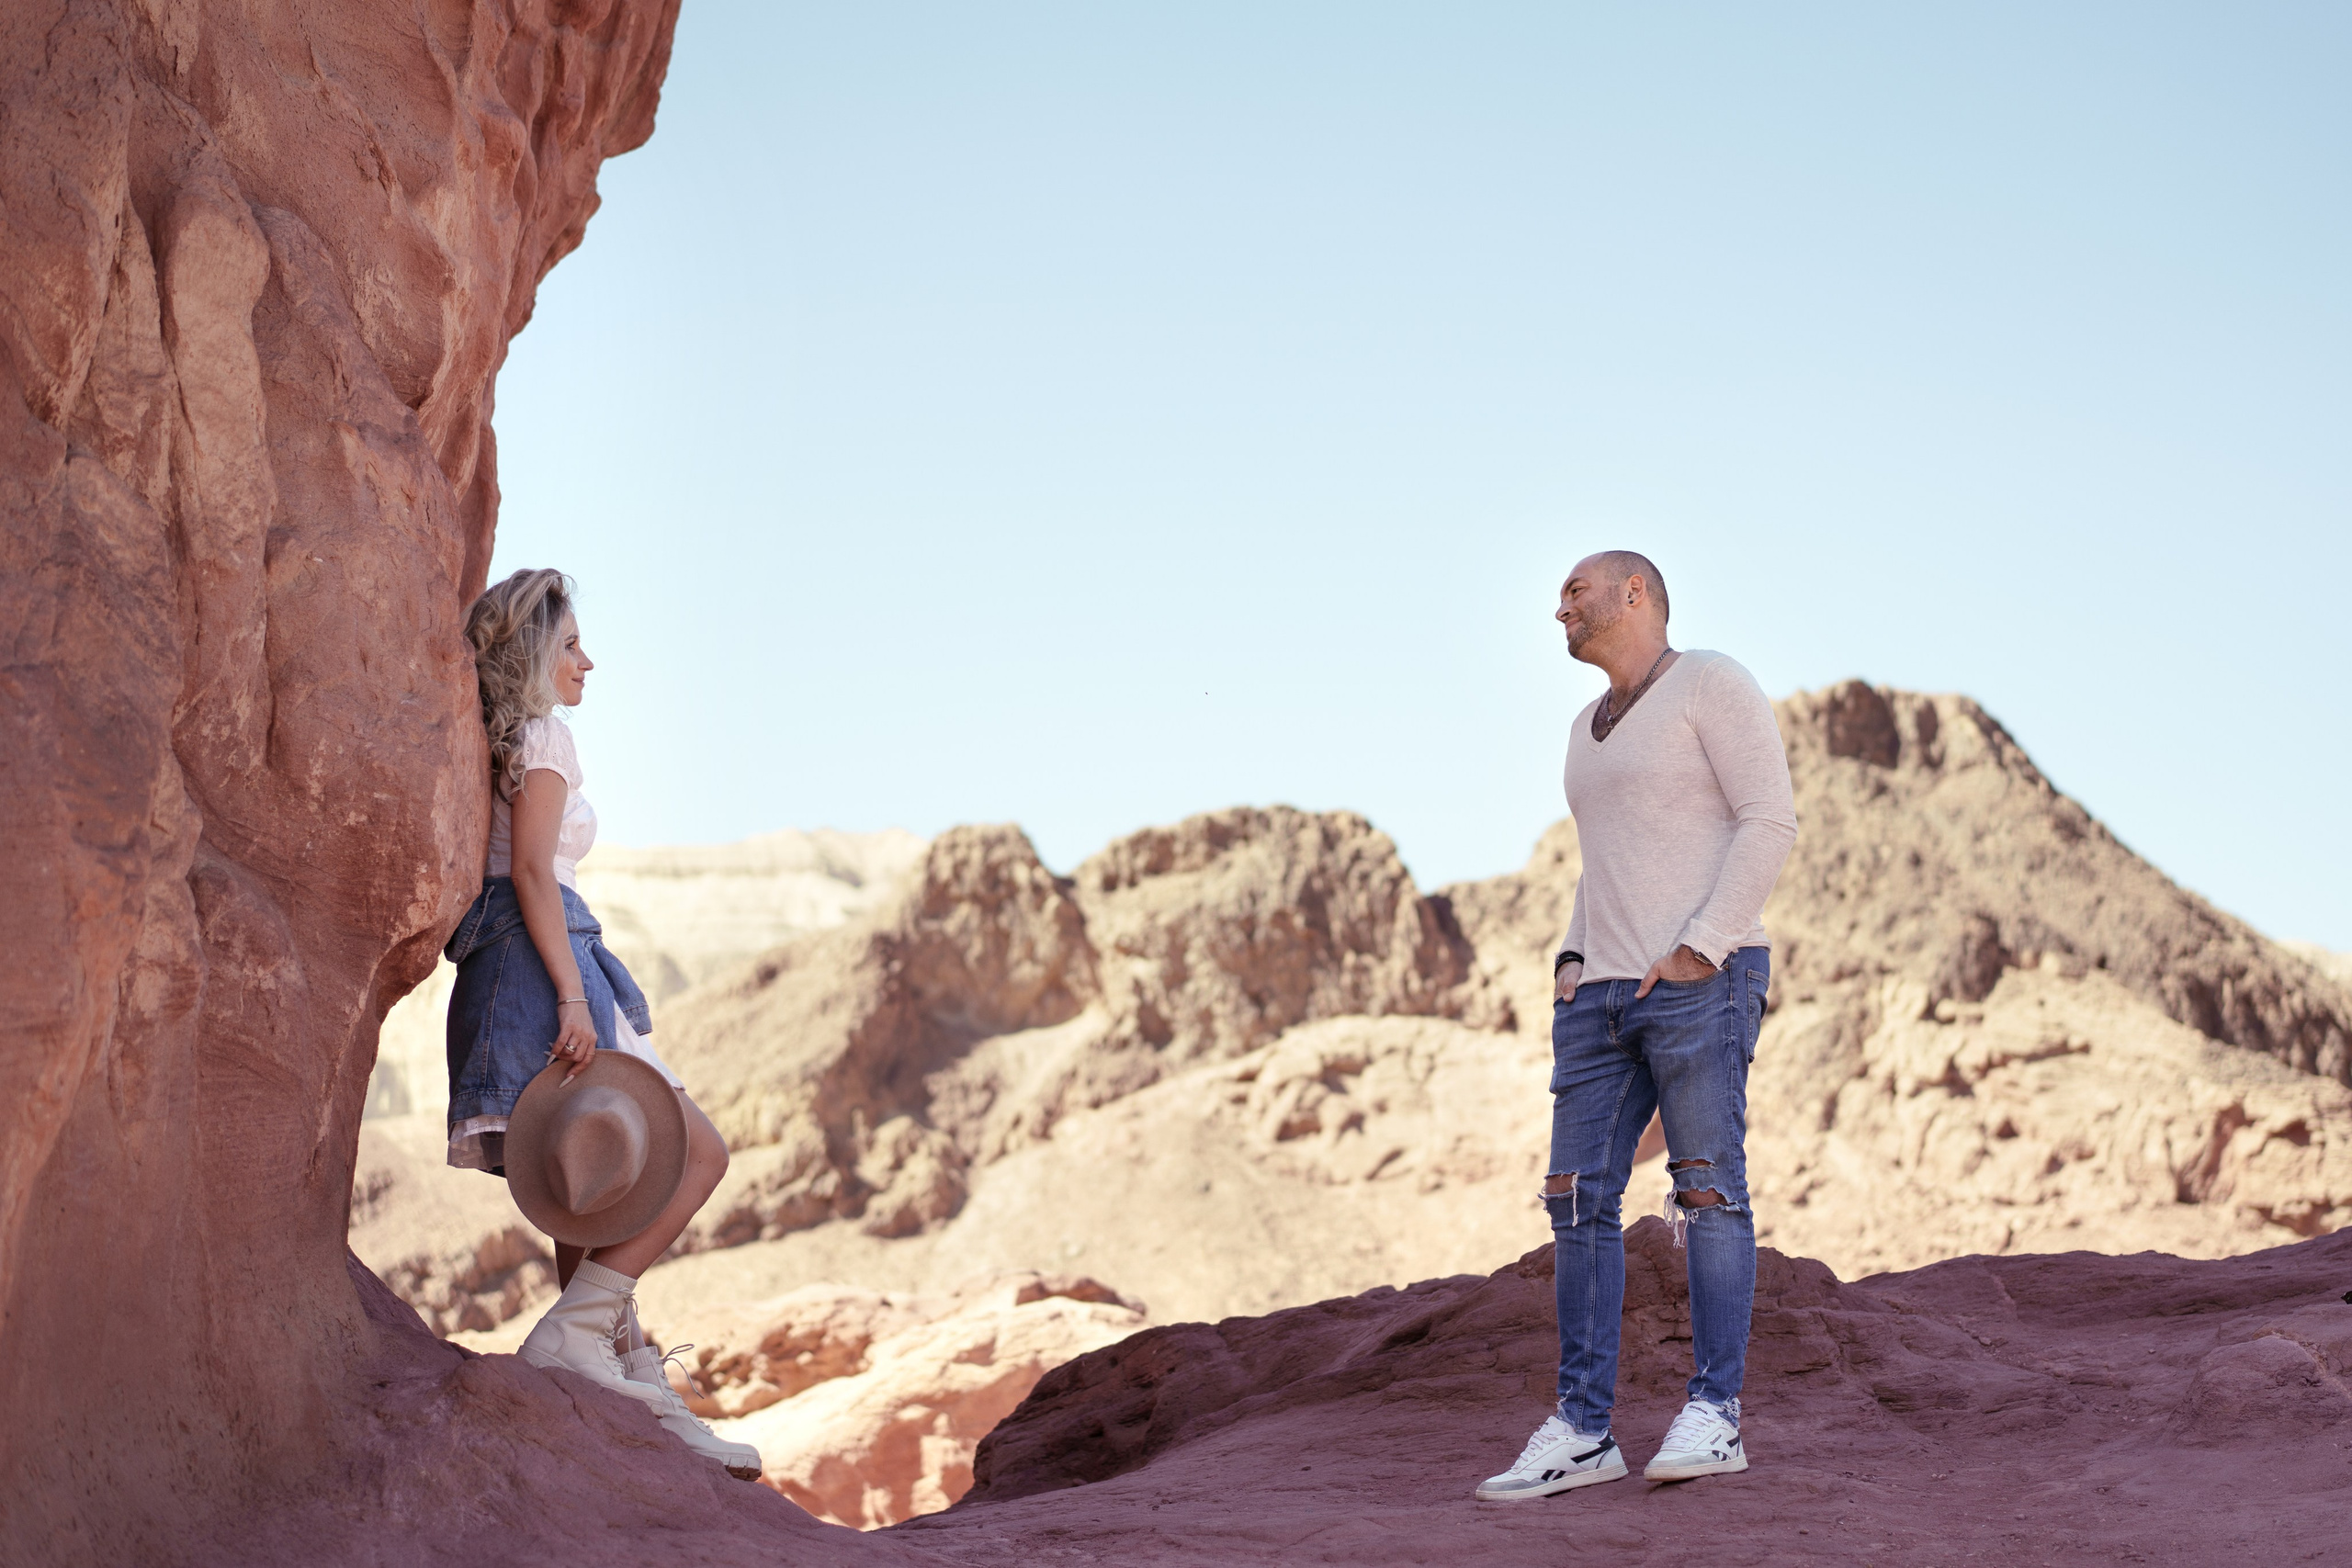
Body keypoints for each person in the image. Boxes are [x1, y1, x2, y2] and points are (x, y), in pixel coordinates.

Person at [1476, 550, 1797, 1500]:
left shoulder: (1709, 683)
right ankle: (1582, 1431)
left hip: (1703, 978)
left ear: (1635, 596)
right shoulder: (1585, 727)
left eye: (1576, 590)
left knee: (1705, 1189)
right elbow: (1606, 861)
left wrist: (1702, 946)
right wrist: (1573, 959)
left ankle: (1716, 1412)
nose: (1559, 606)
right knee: (1576, 1200)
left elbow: (1767, 820)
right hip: (1599, 996)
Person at [442, 568, 759, 1480]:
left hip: (518, 954)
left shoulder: (507, 739)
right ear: (537, 654)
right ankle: (580, 1338)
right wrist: (575, 999)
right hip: (551, 954)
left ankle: (627, 1378)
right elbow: (536, 873)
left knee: (587, 1187)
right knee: (695, 1152)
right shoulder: (545, 736)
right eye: (573, 644)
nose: (590, 661)